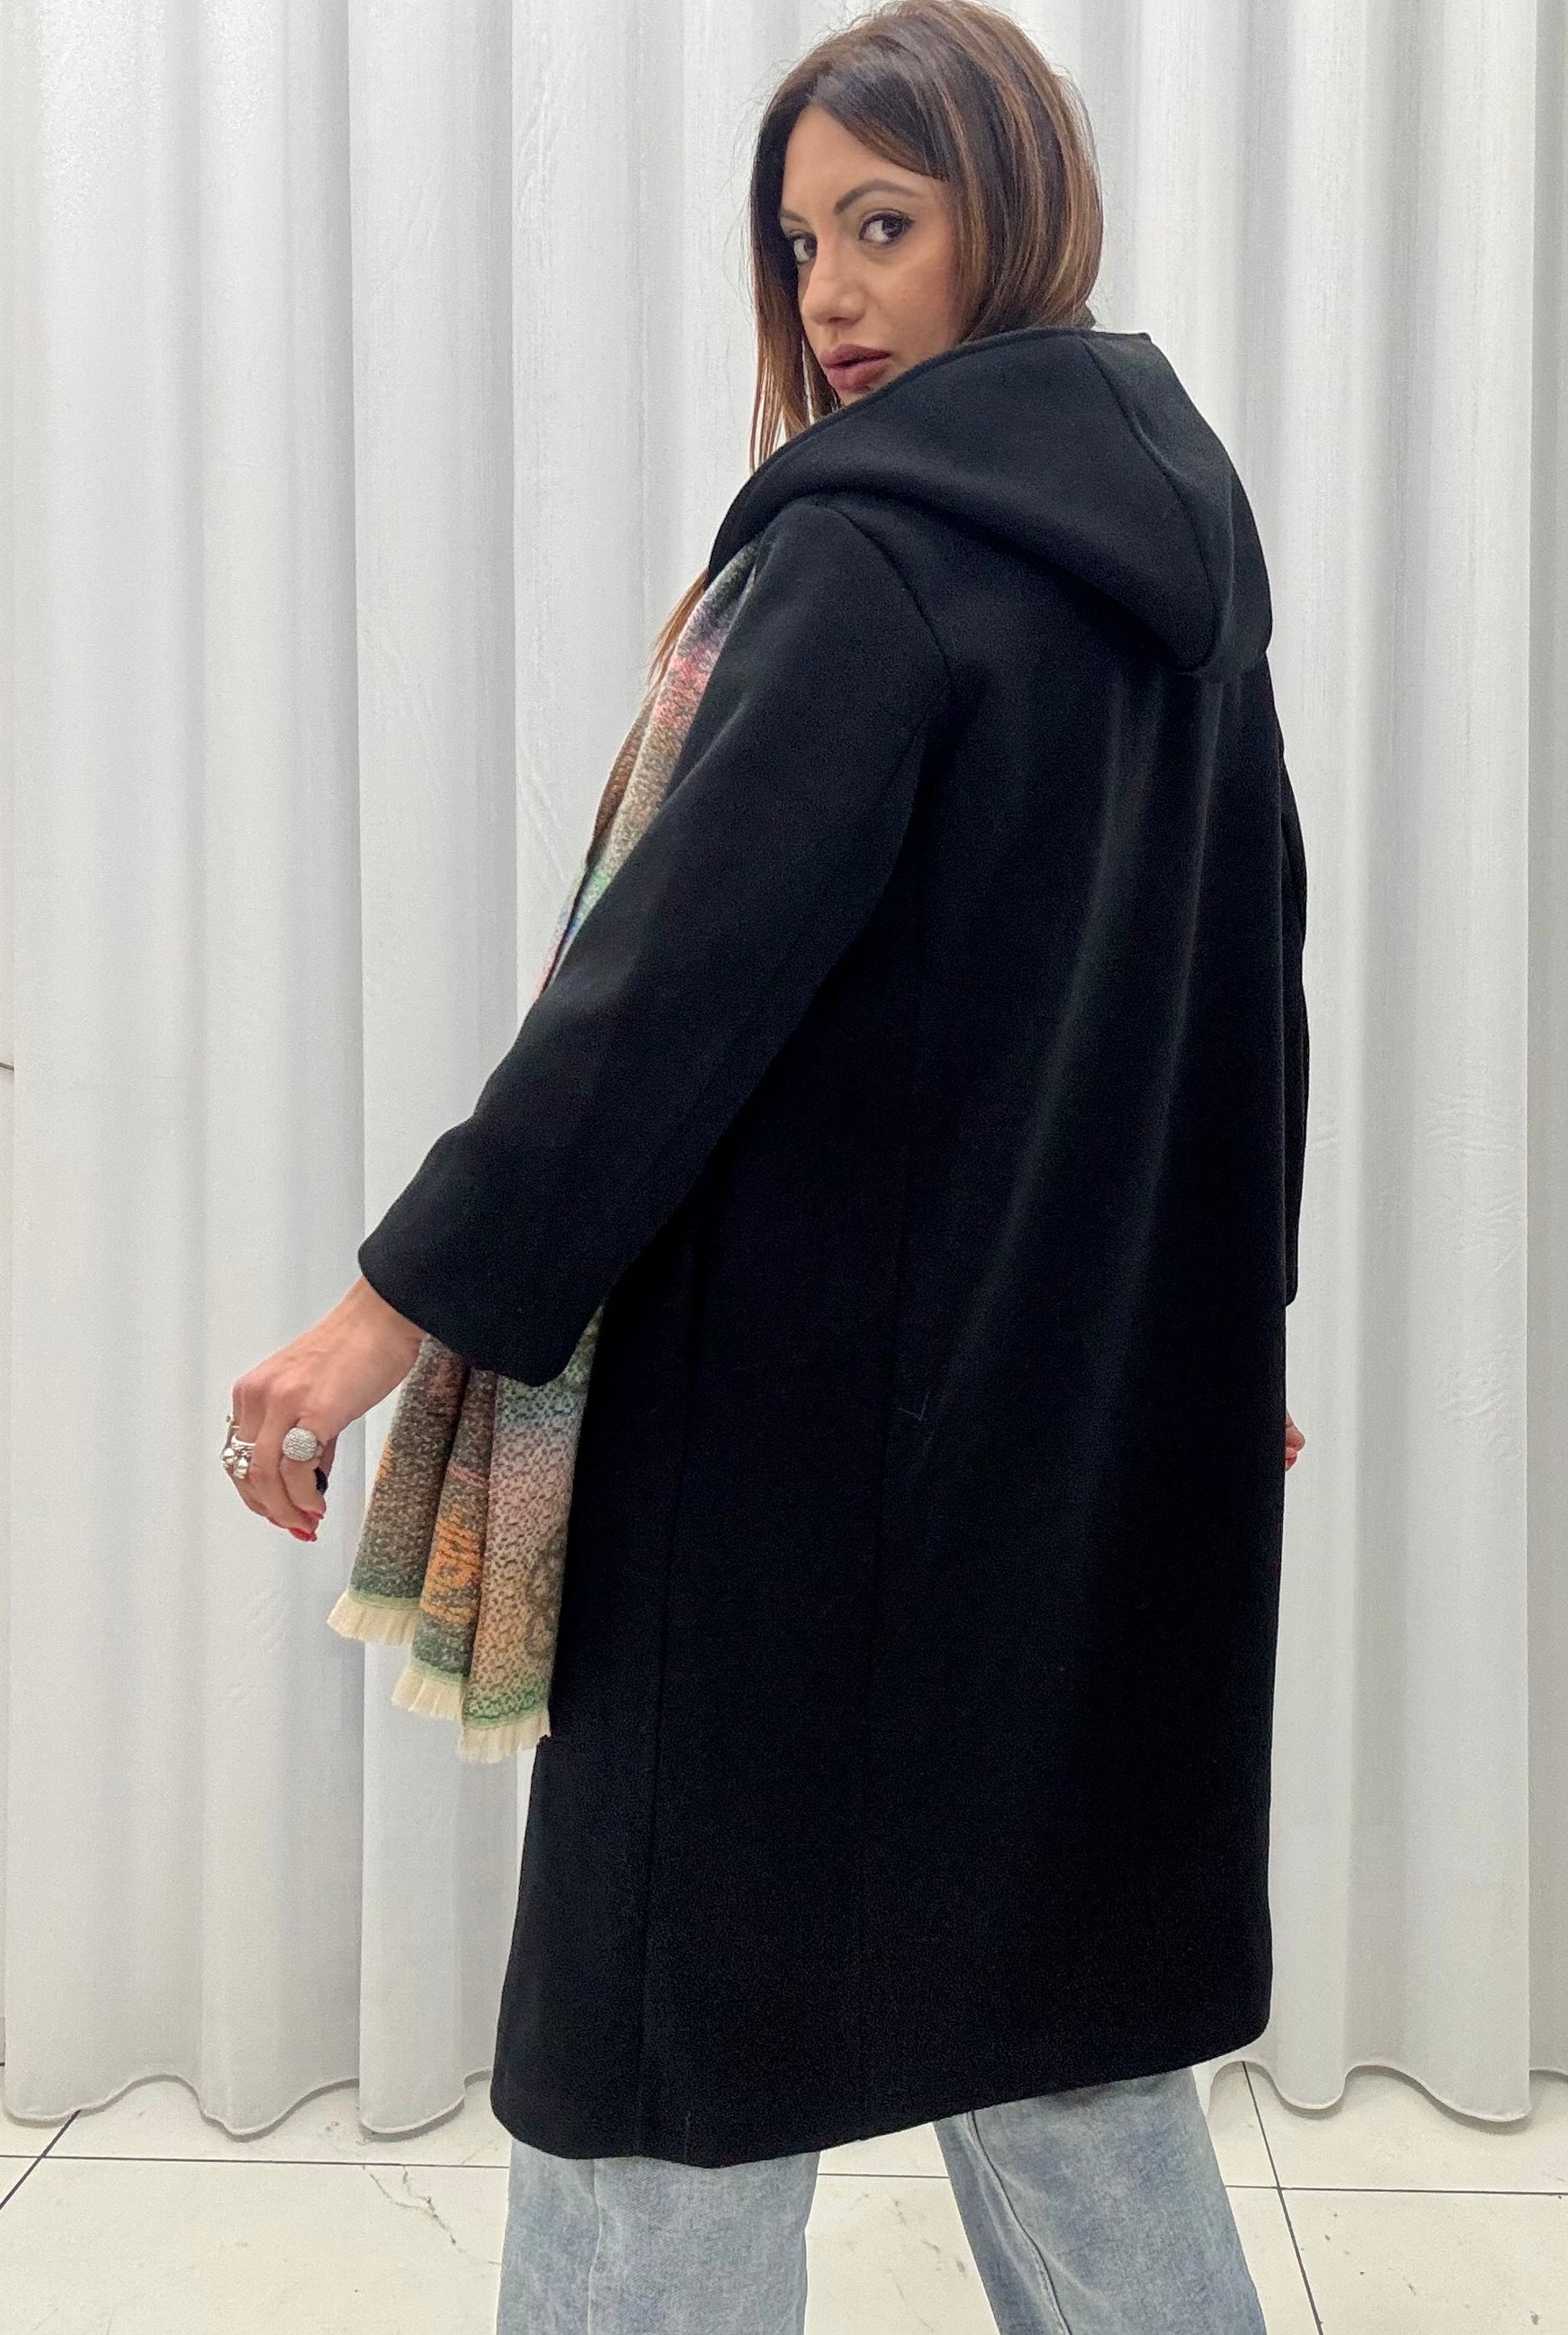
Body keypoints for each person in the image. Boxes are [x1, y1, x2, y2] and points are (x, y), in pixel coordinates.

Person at [224, 2, 1310, 2325]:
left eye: (883, 225)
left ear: (1013, 204)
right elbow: (1247, 1010)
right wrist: (1228, 1348)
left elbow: (653, 1011)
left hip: (789, 1474)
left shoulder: (866, 559)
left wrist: (377, 1316)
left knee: (654, 2079)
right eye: (803, 239)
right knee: (1061, 2039)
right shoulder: (1184, 565)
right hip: (1068, 1442)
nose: (830, 292)